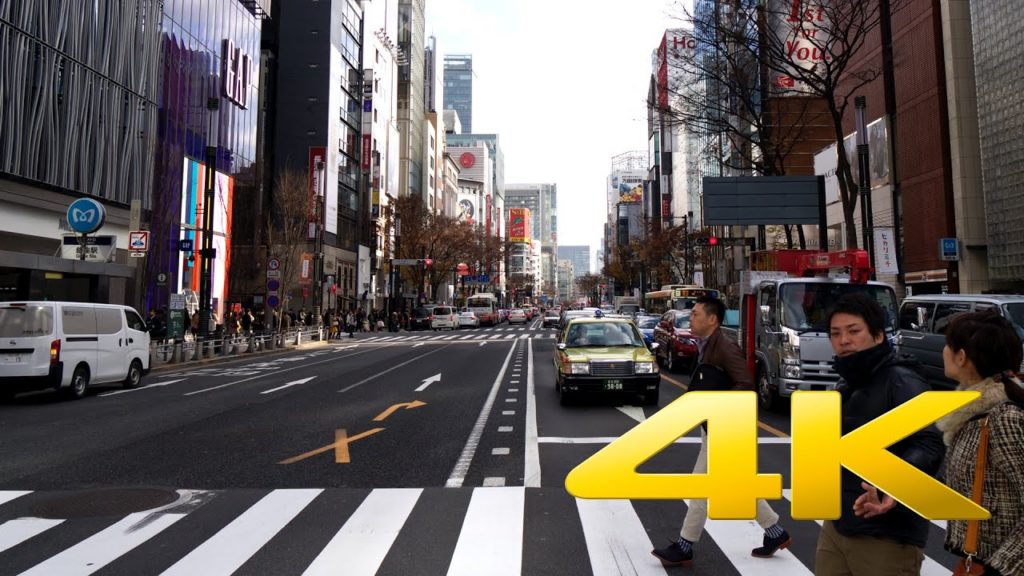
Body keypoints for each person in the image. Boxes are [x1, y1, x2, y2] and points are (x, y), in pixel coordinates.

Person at [652, 295, 792, 566]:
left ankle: (684, 546)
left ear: (712, 319)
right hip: (716, 425)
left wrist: (718, 405)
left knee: (700, 486)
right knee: (736, 483)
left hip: (725, 426)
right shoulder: (707, 343)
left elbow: (745, 382)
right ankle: (775, 532)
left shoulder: (725, 346)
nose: (691, 318)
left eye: (695, 314)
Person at [815, 293, 945, 575]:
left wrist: (890, 486)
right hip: (838, 523)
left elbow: (931, 442)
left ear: (877, 336)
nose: (843, 340)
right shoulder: (848, 380)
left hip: (887, 533)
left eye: (853, 331)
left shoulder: (901, 379)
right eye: (835, 334)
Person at [928, 311, 1022, 576]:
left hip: (996, 567)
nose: (943, 350)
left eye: (949, 344)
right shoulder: (973, 415)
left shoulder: (1003, 419)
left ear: (961, 357)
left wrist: (1001, 568)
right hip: (978, 563)